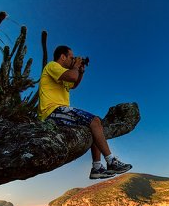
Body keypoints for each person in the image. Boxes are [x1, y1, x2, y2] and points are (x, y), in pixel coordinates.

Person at [38, 45, 132, 180]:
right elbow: (72, 77)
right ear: (62, 57)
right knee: (94, 120)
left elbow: (74, 84)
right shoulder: (52, 66)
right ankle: (111, 161)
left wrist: (80, 71)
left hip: (60, 111)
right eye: (71, 57)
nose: (73, 60)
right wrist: (75, 67)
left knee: (95, 124)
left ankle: (97, 167)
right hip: (52, 111)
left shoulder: (63, 73)